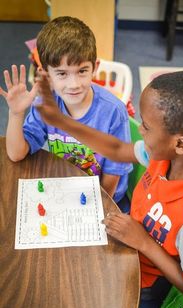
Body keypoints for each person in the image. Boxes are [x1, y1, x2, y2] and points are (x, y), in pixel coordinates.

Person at [36, 69, 183, 304]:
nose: (139, 130)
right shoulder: (163, 156)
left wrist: (143, 242)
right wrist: (61, 121)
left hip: (141, 277)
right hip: (126, 237)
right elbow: (116, 149)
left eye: (146, 126)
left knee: (62, 285)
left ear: (180, 144)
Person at [0, 16, 132, 210]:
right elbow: (16, 153)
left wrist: (97, 208)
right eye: (62, 73)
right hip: (65, 187)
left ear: (94, 68)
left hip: (104, 197)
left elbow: (113, 174)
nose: (74, 84)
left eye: (82, 71)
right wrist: (16, 114)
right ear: (45, 74)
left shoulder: (113, 112)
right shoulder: (45, 102)